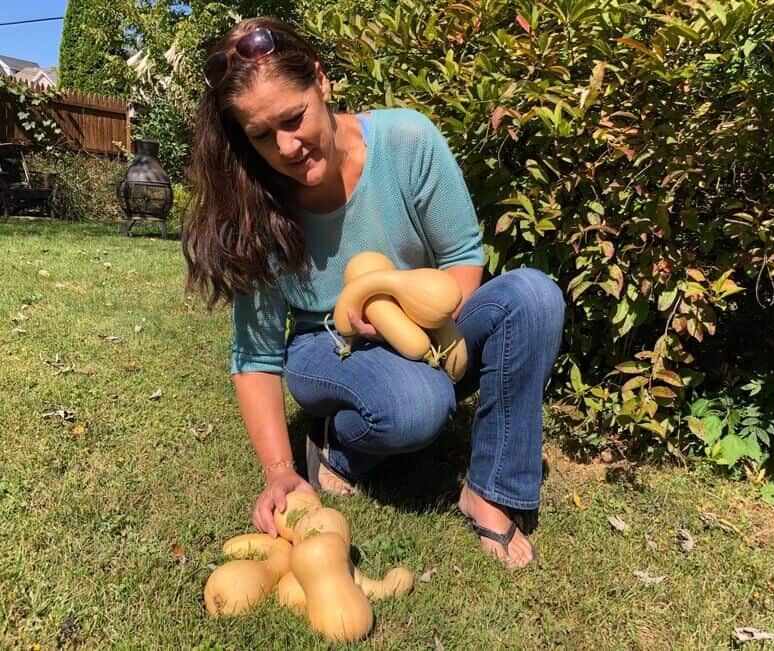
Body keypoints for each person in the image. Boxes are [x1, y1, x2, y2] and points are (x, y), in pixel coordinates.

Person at [182, 16, 564, 568]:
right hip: (326, 347)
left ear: (321, 81)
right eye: (262, 136)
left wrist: (411, 320)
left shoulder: (408, 142)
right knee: (416, 405)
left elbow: (460, 259)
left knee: (533, 296)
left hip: (421, 319)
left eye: (294, 118)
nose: (287, 147)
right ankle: (339, 449)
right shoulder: (254, 206)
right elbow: (257, 358)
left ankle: (491, 490)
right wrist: (280, 472)